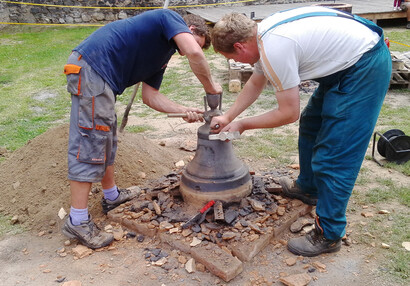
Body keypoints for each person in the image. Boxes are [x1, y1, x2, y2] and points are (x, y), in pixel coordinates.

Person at [210, 6, 391, 257]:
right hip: (342, 63)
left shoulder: (275, 47)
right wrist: (229, 116)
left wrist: (243, 124)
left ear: (240, 46)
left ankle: (329, 234)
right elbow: (255, 82)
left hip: (363, 67)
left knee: (335, 155)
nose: (236, 63)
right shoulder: (261, 35)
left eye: (232, 58)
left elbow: (287, 113)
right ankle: (309, 188)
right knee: (311, 124)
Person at [62, 9, 222, 249]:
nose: (183, 51)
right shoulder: (169, 18)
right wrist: (211, 89)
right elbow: (193, 51)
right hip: (91, 68)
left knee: (107, 138)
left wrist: (185, 110)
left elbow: (151, 97)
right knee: (91, 141)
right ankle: (78, 220)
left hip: (102, 80)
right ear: (190, 30)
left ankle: (111, 196)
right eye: (190, 42)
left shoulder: (162, 55)